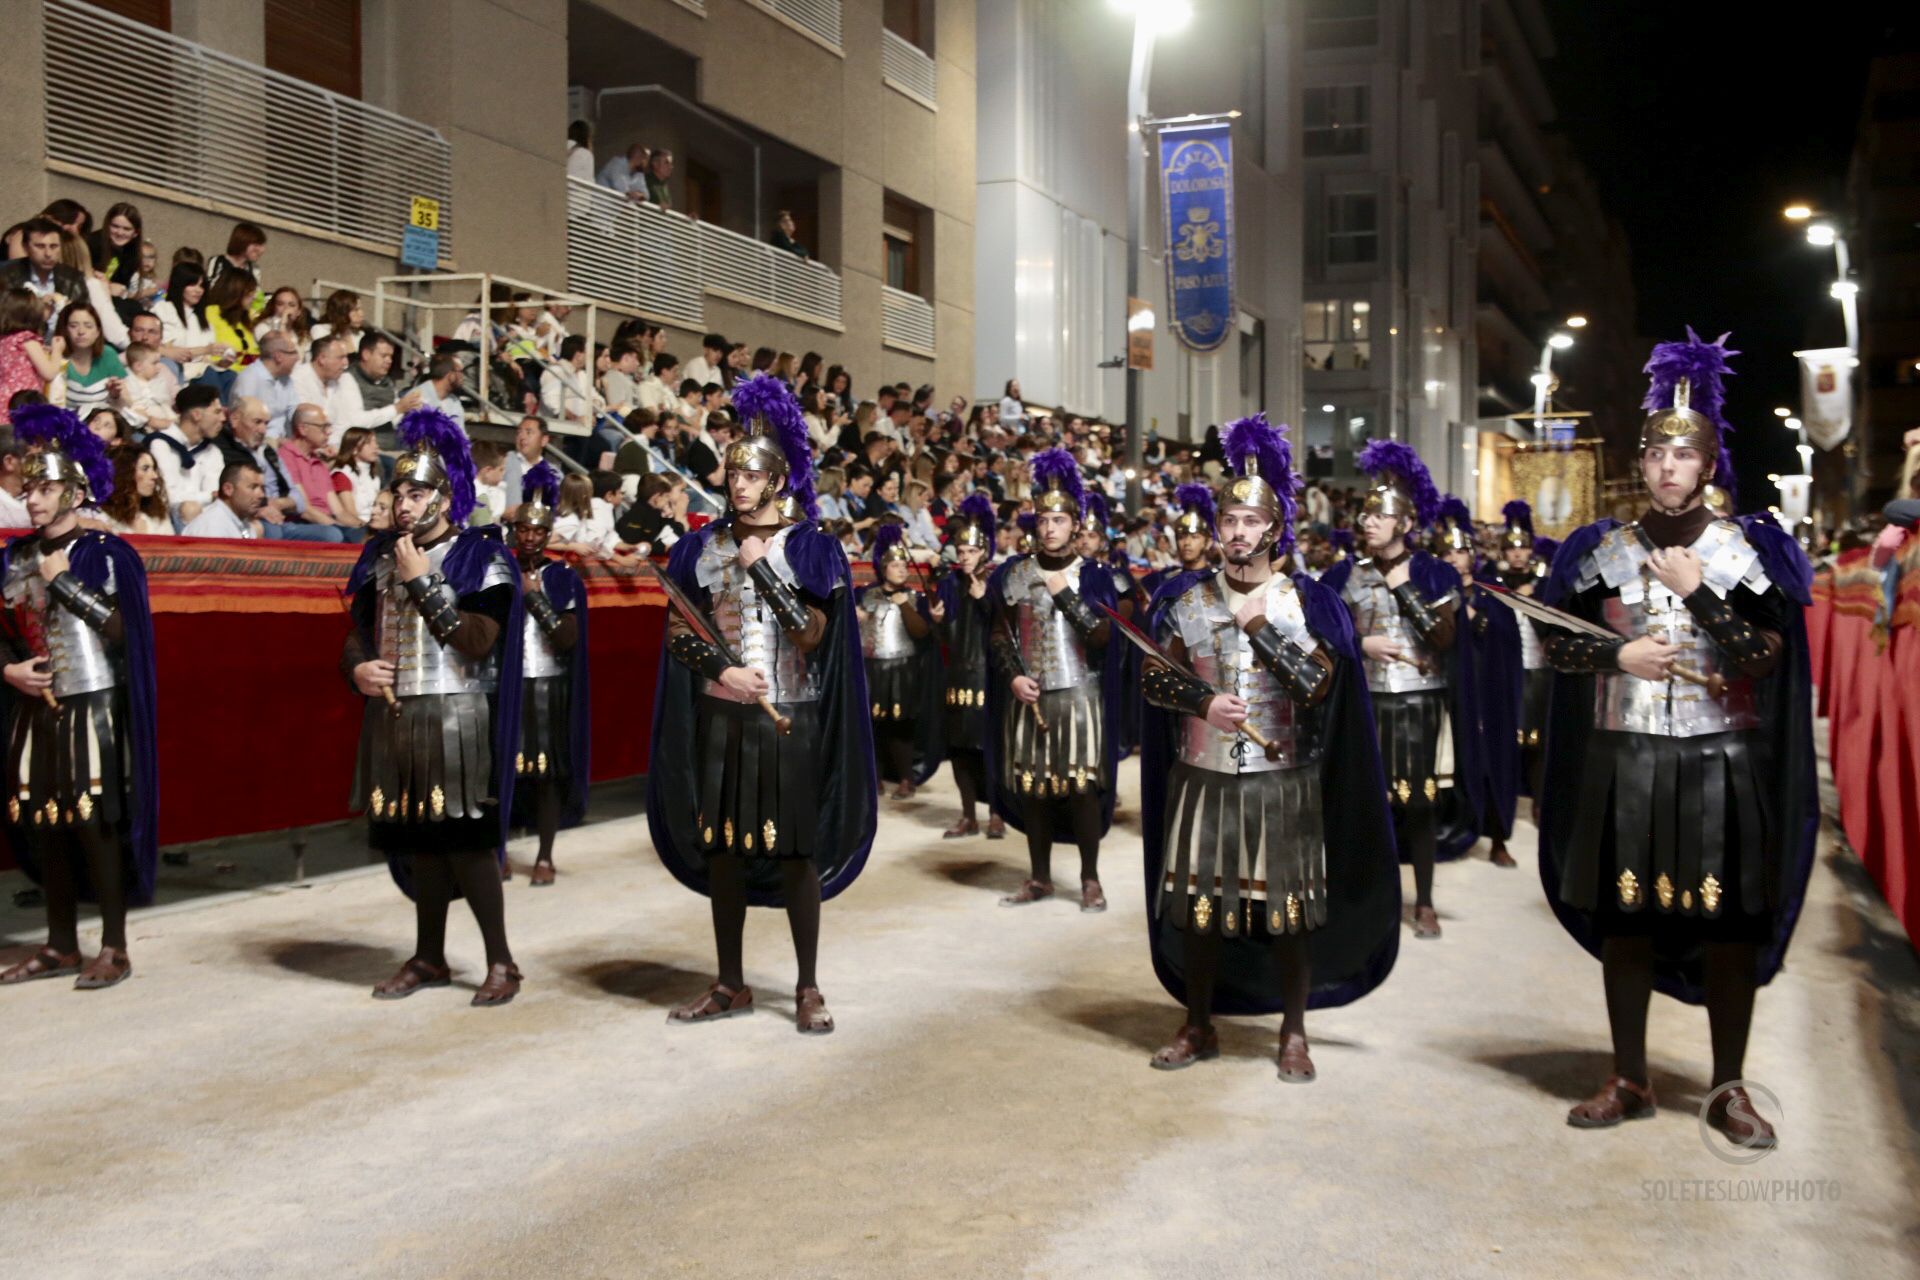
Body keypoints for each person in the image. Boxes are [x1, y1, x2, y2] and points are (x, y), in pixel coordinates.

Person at [1535, 330, 1815, 1147]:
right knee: (1628, 922)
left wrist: (1703, 598)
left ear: (1708, 466)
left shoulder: (1746, 551)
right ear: (1642, 463)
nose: (1666, 468)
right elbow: (1557, 642)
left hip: (1719, 762)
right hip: (1625, 758)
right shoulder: (1602, 550)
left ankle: (1729, 1091)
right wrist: (1616, 652)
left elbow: (1765, 658)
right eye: (1655, 454)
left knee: (1727, 930)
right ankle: (1629, 1076)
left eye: (1682, 456)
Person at [1138, 413, 1398, 1076]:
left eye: (1251, 523)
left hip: (1283, 778)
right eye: (1229, 522)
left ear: (1274, 530)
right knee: (1198, 911)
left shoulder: (1303, 602)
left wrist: (1261, 629)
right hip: (1202, 773)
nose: (1237, 533)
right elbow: (1153, 679)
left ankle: (1293, 1032)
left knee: (1286, 913)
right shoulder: (1188, 601)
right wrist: (1202, 701)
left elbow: (1318, 685)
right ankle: (1198, 1024)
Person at [647, 373, 876, 1035]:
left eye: (749, 475)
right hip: (723, 716)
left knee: (795, 852)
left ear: (776, 480)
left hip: (790, 720)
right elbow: (681, 636)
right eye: (731, 474)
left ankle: (806, 986)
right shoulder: (699, 547)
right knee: (723, 850)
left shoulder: (811, 548)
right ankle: (729, 982)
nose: (736, 484)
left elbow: (810, 634)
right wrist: (723, 668)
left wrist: (764, 569)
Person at [342, 408, 526, 1007]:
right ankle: (428, 958)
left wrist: (423, 583)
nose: (403, 504)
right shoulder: (377, 557)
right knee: (419, 843)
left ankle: (502, 961)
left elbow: (476, 640)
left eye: (416, 492)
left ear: (445, 498)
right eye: (398, 491)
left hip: (455, 718)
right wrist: (357, 668)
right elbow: (358, 633)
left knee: (468, 846)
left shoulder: (481, 556)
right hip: (396, 716)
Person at [0, 405, 158, 990]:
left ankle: (114, 947)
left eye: (45, 488)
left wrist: (64, 580)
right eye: (28, 486)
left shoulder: (108, 553)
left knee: (95, 825)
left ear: (73, 490)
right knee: (45, 825)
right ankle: (60, 944)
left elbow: (122, 633)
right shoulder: (12, 556)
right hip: (33, 709)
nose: (33, 498)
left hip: (94, 704)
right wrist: (11, 669)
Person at [1321, 439, 1475, 940]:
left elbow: (1443, 638)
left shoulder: (1434, 572)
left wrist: (1405, 587)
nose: (1366, 524)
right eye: (1364, 516)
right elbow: (1322, 634)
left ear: (1405, 523)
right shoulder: (1345, 574)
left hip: (1419, 700)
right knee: (1366, 803)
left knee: (1420, 803)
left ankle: (1424, 901)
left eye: (1378, 517)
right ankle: (1369, 898)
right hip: (1365, 702)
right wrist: (1363, 643)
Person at [987, 447, 1123, 912]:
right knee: (1035, 789)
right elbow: (1000, 635)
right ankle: (1039, 876)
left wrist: (1066, 595)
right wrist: (1011, 680)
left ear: (1075, 526)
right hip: (1030, 697)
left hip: (1079, 694)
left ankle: (1089, 878)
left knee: (1082, 787)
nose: (1049, 528)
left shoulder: (1094, 576)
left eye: (1058, 521)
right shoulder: (1014, 573)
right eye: (1043, 520)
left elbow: (1104, 637)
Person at [508, 462, 589, 887]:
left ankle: (544, 855)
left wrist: (535, 599)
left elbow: (567, 638)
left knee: (546, 775)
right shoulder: (499, 572)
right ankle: (498, 850)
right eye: (524, 530)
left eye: (538, 532)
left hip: (549, 683)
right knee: (500, 772)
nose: (530, 538)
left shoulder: (562, 577)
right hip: (507, 685)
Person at [1433, 497, 1520, 868]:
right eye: (1446, 553)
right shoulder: (1436, 593)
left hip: (1489, 692)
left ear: (1471, 555)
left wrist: (1473, 616)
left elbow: (1504, 637)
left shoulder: (1490, 593)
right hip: (1451, 691)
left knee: (1494, 761)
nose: (1453, 558)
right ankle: (1453, 832)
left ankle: (1498, 838)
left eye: (1459, 552)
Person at [929, 494, 1001, 839]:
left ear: (984, 551)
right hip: (957, 675)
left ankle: (998, 813)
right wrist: (939, 620)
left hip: (988, 675)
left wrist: (985, 599)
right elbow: (948, 635)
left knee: (989, 749)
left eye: (970, 552)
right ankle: (968, 815)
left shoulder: (997, 582)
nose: (965, 558)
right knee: (959, 750)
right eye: (960, 553)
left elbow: (1008, 628)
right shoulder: (950, 584)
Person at [859, 521, 941, 800]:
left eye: (905, 565)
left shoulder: (914, 597)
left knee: (901, 725)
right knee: (874, 725)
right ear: (883, 569)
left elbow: (921, 631)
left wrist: (904, 603)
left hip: (901, 666)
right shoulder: (867, 595)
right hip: (872, 665)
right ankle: (876, 777)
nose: (902, 569)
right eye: (896, 565)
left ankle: (906, 778)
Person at [1489, 500, 1551, 805]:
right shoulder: (1494, 584)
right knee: (1508, 738)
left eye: (1522, 547)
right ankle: (1509, 797)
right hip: (1506, 670)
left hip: (1538, 669)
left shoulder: (1543, 584)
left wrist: (1533, 602)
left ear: (1530, 551)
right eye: (1511, 548)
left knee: (1538, 739)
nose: (1517, 553)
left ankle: (1539, 800)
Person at [147, 384, 225, 525]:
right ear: (196, 415)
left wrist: (211, 497)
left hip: (205, 519)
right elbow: (167, 497)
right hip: (167, 519)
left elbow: (217, 496)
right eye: (217, 412)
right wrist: (209, 497)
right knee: (190, 509)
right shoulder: (161, 445)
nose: (223, 418)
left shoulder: (212, 451)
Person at [1140, 482, 1217, 602]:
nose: (1186, 542)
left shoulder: (1220, 582)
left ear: (1208, 542)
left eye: (1195, 537)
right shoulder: (1163, 581)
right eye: (1181, 537)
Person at [53, 301, 125, 419]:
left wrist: (116, 395)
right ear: (64, 330)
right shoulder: (56, 356)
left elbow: (126, 402)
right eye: (73, 326)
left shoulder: (108, 354)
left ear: (97, 332)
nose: (81, 332)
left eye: (88, 326)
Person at [181, 460, 265, 539]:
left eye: (262, 488)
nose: (261, 495)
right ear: (228, 489)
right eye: (253, 487)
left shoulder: (243, 524)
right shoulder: (211, 527)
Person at [102, 443, 173, 536]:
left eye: (154, 469)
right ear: (124, 473)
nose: (155, 476)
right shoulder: (101, 517)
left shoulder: (158, 516)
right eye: (145, 469)